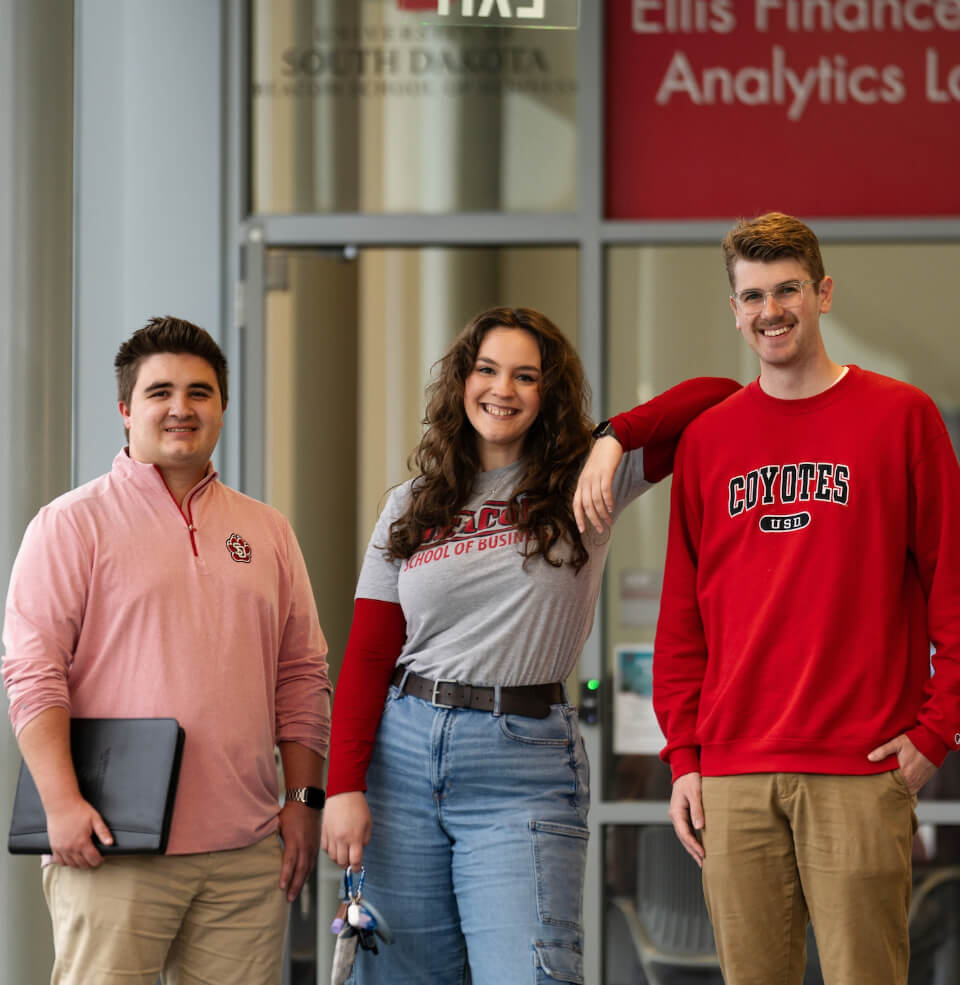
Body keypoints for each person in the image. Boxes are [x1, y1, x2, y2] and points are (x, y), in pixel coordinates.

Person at [319, 305, 738, 984]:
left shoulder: (587, 477)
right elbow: (369, 657)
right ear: (462, 381)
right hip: (401, 759)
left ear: (549, 392)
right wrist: (343, 786)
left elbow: (720, 395)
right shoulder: (411, 504)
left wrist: (613, 437)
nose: (502, 389)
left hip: (520, 762)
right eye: (487, 370)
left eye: (525, 376)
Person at [650, 212, 959, 985]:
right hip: (733, 772)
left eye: (787, 289)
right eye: (754, 296)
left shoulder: (902, 417)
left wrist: (935, 731)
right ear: (734, 309)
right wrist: (685, 755)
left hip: (861, 765)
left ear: (823, 293)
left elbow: (953, 587)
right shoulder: (709, 441)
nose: (771, 310)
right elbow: (683, 619)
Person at [2, 316, 333, 985]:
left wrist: (303, 800)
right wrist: (61, 803)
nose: (181, 407)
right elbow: (33, 673)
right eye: (160, 392)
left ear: (223, 406)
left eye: (199, 392)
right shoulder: (70, 524)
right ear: (126, 409)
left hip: (245, 854)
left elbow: (301, 674)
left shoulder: (267, 530)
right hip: (110, 843)